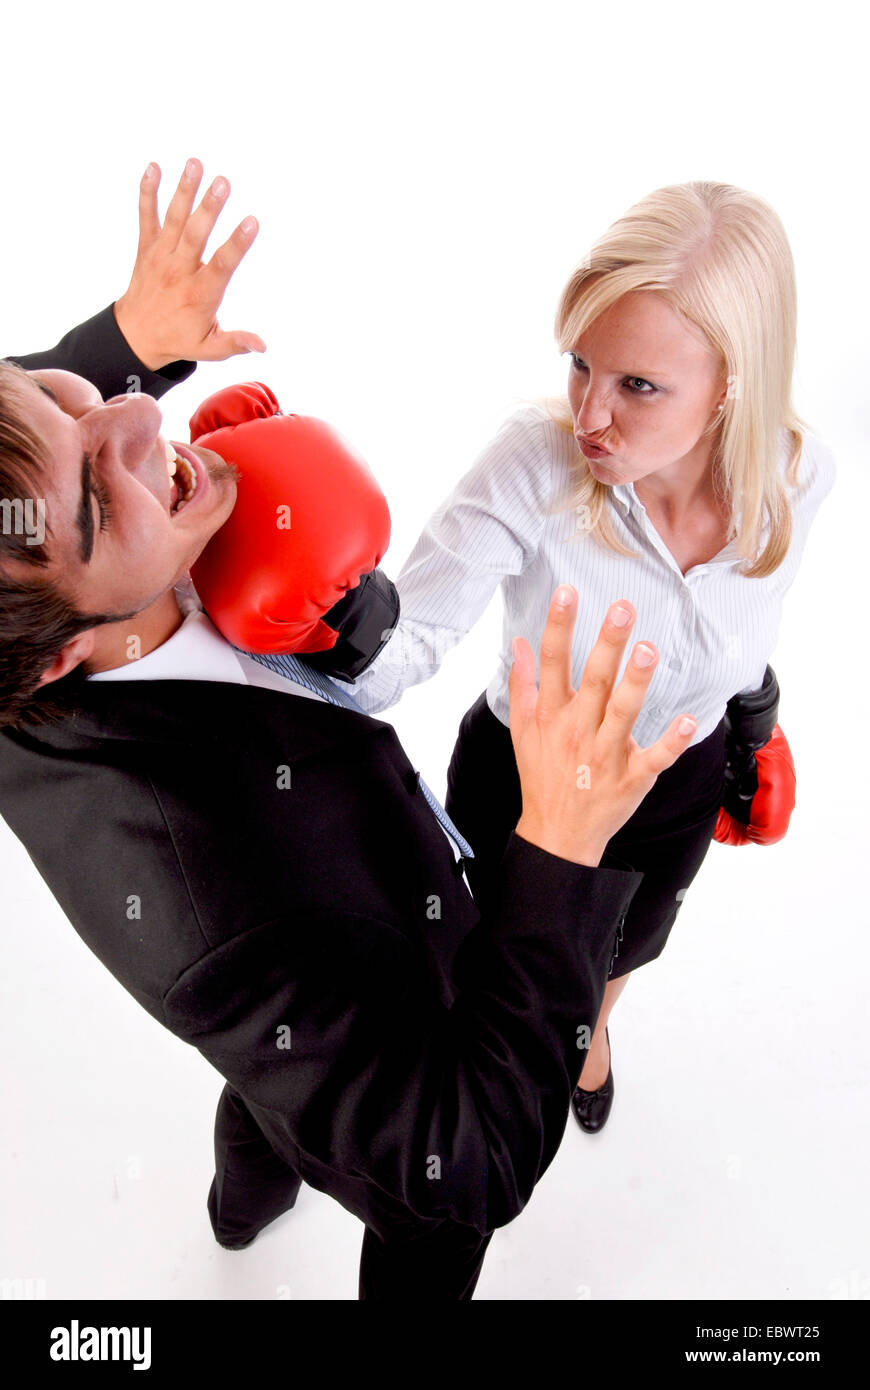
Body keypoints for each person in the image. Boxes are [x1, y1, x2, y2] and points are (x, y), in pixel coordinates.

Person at [0, 161, 700, 1300]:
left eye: (73, 400)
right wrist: (560, 852)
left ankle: (239, 1205)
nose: (135, 411)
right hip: (396, 1042)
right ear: (56, 658)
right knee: (417, 1225)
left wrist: (126, 335)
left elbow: (29, 431)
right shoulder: (205, 904)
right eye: (97, 490)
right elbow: (465, 1158)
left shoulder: (39, 583)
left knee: (268, 1101)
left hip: (312, 1016)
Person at [329, 180, 837, 1133]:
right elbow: (411, 641)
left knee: (627, 947)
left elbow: (745, 630)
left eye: (639, 386)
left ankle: (592, 1034)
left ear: (735, 383)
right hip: (523, 780)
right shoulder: (536, 457)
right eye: (580, 366)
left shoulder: (800, 476)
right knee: (483, 968)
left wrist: (755, 722)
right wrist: (312, 622)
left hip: (673, 784)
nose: (591, 415)